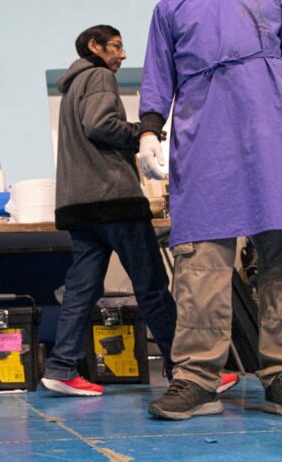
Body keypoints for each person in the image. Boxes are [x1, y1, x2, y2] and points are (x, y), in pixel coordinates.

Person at [139, 0, 282, 422]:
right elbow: (157, 73)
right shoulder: (170, 8)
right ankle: (197, 379)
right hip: (205, 143)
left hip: (280, 139)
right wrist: (150, 130)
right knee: (200, 266)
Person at [41, 25, 178, 396]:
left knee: (81, 290)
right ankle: (183, 369)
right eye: (116, 47)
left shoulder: (70, 88)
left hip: (79, 204)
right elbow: (100, 125)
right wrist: (143, 134)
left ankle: (60, 367)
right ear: (94, 46)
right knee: (151, 286)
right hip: (113, 199)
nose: (123, 55)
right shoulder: (98, 75)